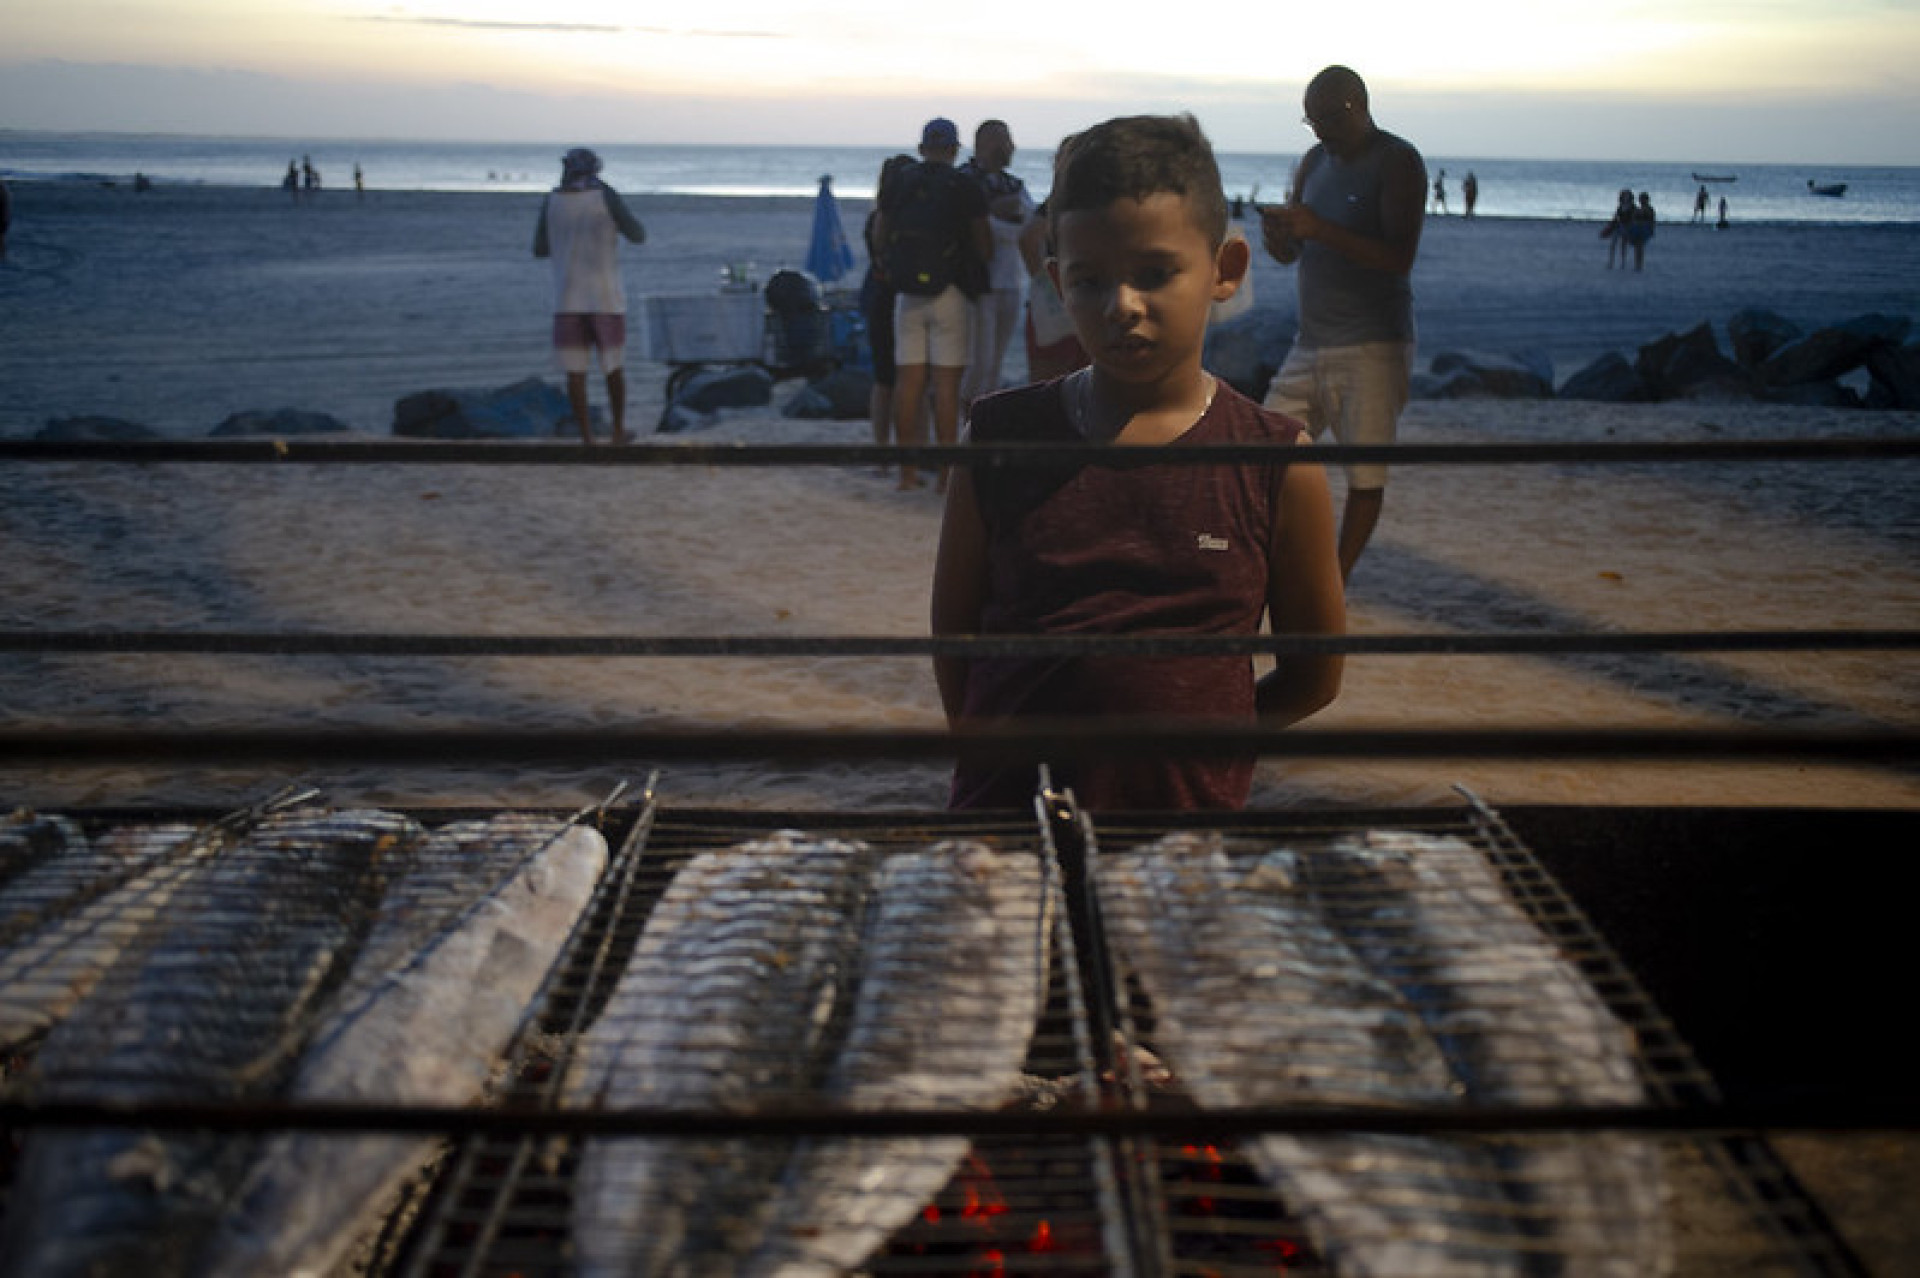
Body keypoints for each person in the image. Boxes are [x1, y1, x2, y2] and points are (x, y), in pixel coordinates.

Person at [931, 113, 1346, 812]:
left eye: (1154, 274)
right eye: (1090, 280)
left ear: (1225, 270)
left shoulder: (1273, 462)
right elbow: (954, 644)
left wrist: (1201, 746)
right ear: (1059, 282)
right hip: (1006, 830)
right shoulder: (998, 439)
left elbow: (1314, 678)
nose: (1121, 305)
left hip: (1180, 844)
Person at [1259, 64, 1427, 583]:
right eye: (1310, 121)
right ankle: (1275, 558)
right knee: (1264, 449)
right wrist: (1280, 239)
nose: (1319, 131)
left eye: (1327, 119)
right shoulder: (1314, 161)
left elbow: (1399, 257)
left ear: (1356, 107)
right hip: (1309, 341)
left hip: (1373, 344)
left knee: (1365, 474)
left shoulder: (1397, 161)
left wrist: (1320, 229)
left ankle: (1336, 579)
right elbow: (1296, 251)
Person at [873, 117, 991, 490]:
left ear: (922, 148)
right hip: (951, 292)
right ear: (954, 149)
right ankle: (944, 474)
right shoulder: (964, 185)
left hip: (907, 293)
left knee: (908, 383)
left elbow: (880, 229)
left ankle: (907, 473)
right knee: (945, 387)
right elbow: (983, 242)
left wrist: (888, 264)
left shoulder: (901, 180)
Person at [532, 147, 647, 444]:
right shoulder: (605, 196)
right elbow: (638, 234)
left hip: (566, 298)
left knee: (575, 371)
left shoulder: (552, 200)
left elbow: (540, 249)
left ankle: (587, 437)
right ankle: (618, 430)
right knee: (613, 367)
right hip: (605, 297)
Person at [959, 119, 1035, 407]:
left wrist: (997, 220)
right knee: (977, 362)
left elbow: (1029, 227)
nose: (1009, 148)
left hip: (1010, 281)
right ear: (983, 144)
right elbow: (971, 229)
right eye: (1002, 141)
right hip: (977, 285)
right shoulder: (964, 181)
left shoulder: (1014, 185)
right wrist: (996, 216)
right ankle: (967, 418)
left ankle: (982, 420)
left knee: (995, 364)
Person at [860, 154, 918, 468]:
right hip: (898, 298)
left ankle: (882, 450)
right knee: (907, 379)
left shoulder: (877, 218)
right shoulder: (902, 218)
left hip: (879, 296)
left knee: (884, 380)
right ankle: (903, 451)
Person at [1018, 198, 1089, 381]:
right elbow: (1028, 238)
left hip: (1059, 298)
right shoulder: (1097, 195)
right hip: (1088, 298)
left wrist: (1043, 281)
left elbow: (1029, 238)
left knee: (1048, 383)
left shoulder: (1064, 196)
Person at [1603, 187, 1634, 268]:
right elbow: (1616, 216)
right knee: (1613, 244)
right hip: (1618, 226)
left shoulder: (1632, 207)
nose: (1625, 197)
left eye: (1627, 195)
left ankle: (1623, 262)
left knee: (1623, 245)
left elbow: (1633, 218)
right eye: (1624, 195)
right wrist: (1611, 224)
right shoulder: (1620, 206)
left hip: (1626, 227)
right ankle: (1611, 262)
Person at [1627, 191, 1656, 270]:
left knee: (1640, 246)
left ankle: (1639, 264)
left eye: (1643, 199)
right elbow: (1632, 220)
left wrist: (1651, 229)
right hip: (1637, 229)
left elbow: (1652, 221)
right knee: (1638, 247)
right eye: (1641, 199)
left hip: (1644, 229)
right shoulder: (1638, 209)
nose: (1642, 201)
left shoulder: (1650, 209)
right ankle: (1637, 264)